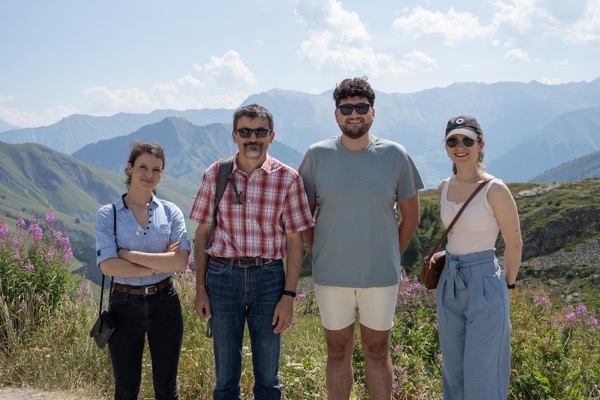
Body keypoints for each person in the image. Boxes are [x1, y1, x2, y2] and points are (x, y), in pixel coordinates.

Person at [298, 77, 424, 400]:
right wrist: (321, 251)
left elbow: (411, 216)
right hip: (331, 276)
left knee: (378, 351)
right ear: (336, 114)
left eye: (361, 107)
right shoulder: (316, 156)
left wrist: (391, 253)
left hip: (380, 276)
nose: (354, 114)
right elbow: (302, 216)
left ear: (373, 112)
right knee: (337, 352)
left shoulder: (396, 155)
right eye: (346, 108)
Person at [190, 103, 314, 400]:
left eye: (260, 131)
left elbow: (295, 241)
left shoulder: (288, 178)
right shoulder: (215, 174)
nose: (252, 138)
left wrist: (288, 296)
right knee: (225, 377)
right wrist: (200, 289)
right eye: (245, 131)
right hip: (222, 277)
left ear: (271, 135)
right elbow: (203, 233)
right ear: (234, 135)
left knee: (269, 378)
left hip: (269, 278)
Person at [435, 115, 522, 399]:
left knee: (483, 371)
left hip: (485, 277)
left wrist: (506, 287)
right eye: (453, 140)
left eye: (467, 140)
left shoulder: (495, 189)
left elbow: (514, 243)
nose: (460, 146)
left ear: (480, 144)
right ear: (446, 147)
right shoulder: (444, 187)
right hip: (451, 279)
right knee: (454, 371)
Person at [95, 141, 191, 400]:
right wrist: (160, 262)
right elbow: (108, 266)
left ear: (162, 173)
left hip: (165, 304)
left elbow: (181, 263)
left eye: (156, 170)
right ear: (129, 168)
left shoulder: (171, 212)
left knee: (167, 386)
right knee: (126, 387)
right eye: (143, 167)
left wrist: (129, 255)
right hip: (124, 304)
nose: (150, 175)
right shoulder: (109, 214)